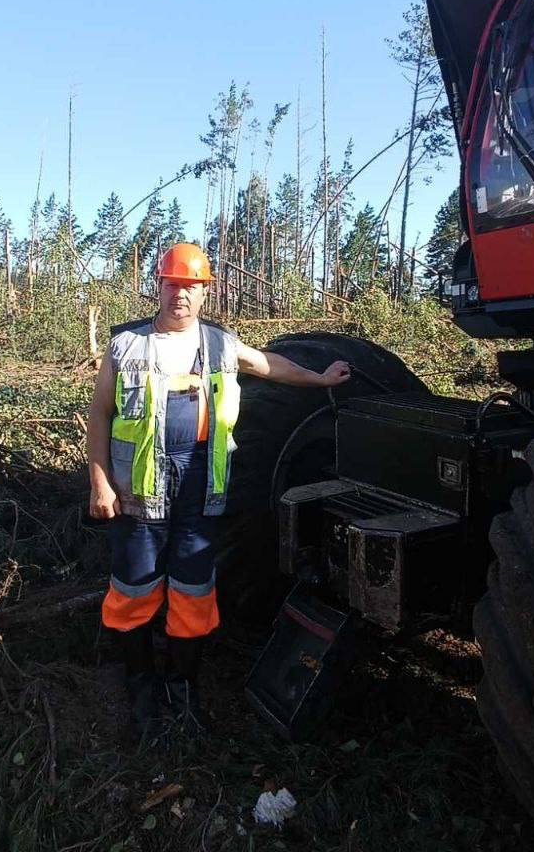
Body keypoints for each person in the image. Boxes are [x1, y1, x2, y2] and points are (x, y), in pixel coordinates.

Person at [86, 242, 350, 738]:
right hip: (139, 492)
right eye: (172, 284)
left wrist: (319, 378)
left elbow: (270, 365)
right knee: (134, 588)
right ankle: (142, 686)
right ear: (158, 287)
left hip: (201, 491)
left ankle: (182, 686)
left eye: (191, 287)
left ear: (205, 292)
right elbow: (100, 413)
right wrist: (99, 480)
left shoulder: (221, 344)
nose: (180, 295)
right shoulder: (127, 345)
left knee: (193, 589)